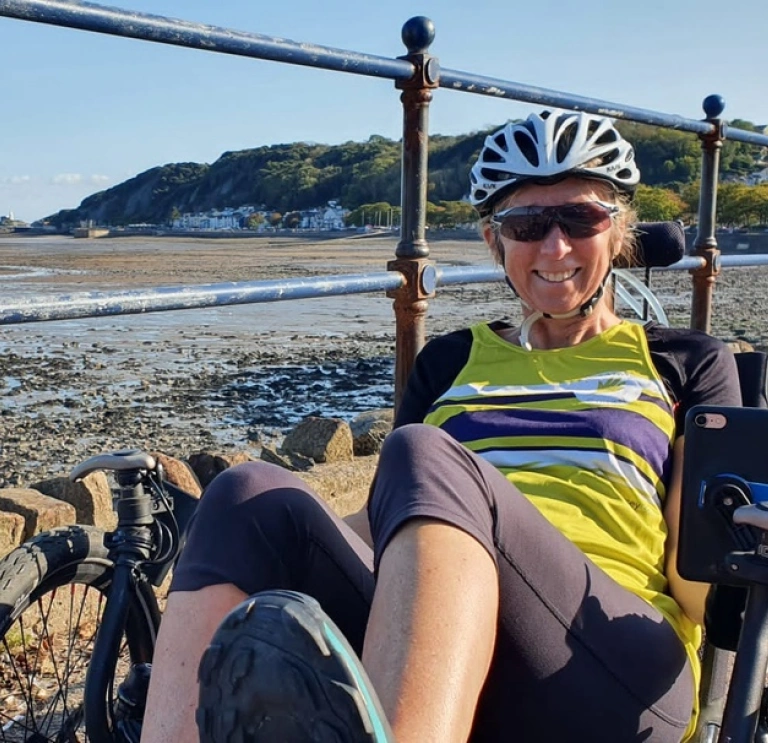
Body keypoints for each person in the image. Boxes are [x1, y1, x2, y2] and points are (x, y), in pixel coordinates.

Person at [140, 109, 741, 743]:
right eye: (527, 224)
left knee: (425, 453)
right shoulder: (451, 360)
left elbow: (701, 584)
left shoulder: (685, 362)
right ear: (494, 241)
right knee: (244, 494)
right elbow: (391, 520)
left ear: (618, 228)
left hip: (610, 661)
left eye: (581, 218)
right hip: (440, 645)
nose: (555, 246)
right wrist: (258, 536)